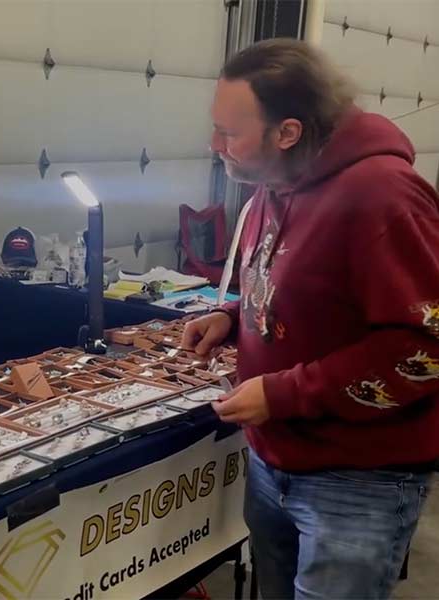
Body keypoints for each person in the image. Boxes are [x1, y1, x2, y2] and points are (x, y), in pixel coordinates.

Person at [182, 38, 439, 599]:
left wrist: (284, 394)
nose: (214, 145)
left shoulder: (382, 195)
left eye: (230, 133)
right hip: (274, 461)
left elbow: (424, 349)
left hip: (357, 480)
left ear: (288, 132)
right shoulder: (274, 185)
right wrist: (234, 315)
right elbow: (314, 287)